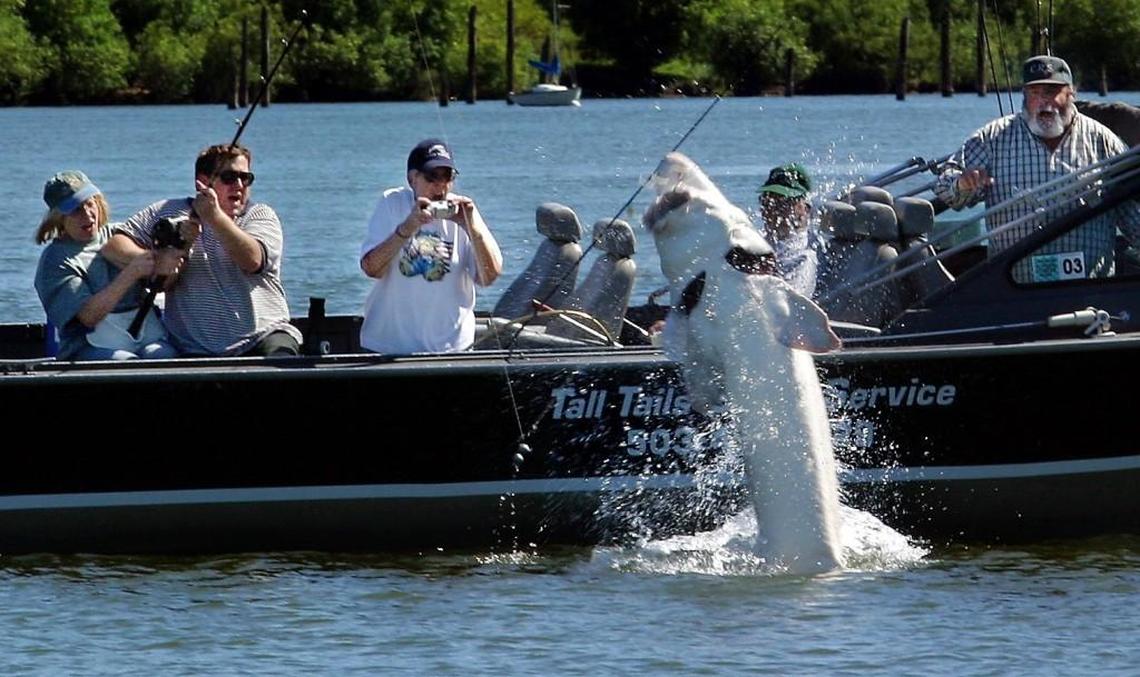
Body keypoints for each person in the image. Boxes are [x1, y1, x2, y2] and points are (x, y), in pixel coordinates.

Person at [934, 54, 1140, 282]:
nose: (1044, 102)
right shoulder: (992, 138)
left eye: (1051, 92)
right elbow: (944, 187)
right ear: (1024, 95)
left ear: (1071, 93)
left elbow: (1131, 214)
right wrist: (963, 183)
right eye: (1035, 92)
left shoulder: (1103, 141)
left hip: (1089, 292)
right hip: (1014, 291)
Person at [104, 143, 301, 356]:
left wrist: (213, 217)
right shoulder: (167, 211)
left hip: (262, 336)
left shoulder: (259, 215)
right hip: (192, 348)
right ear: (203, 182)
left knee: (280, 361)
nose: (239, 185)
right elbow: (113, 245)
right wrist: (155, 260)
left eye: (246, 178)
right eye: (229, 177)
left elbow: (252, 260)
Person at [359, 138, 503, 353]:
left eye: (447, 176)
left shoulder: (464, 211)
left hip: (452, 349)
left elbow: (487, 277)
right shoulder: (392, 203)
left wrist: (472, 228)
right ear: (412, 179)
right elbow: (371, 268)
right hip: (389, 346)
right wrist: (407, 227)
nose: (440, 186)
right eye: (432, 177)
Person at [34, 171, 176, 361]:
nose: (87, 214)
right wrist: (130, 273)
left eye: (90, 203)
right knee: (124, 363)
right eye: (76, 210)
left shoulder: (121, 234)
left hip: (144, 333)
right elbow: (88, 316)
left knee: (164, 356)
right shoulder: (55, 260)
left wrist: (175, 251)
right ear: (59, 218)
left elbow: (162, 275)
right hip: (89, 345)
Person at [757, 162, 820, 297]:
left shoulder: (805, 257)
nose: (771, 209)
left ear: (806, 208)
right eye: (766, 201)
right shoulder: (755, 244)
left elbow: (787, 307)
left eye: (783, 203)